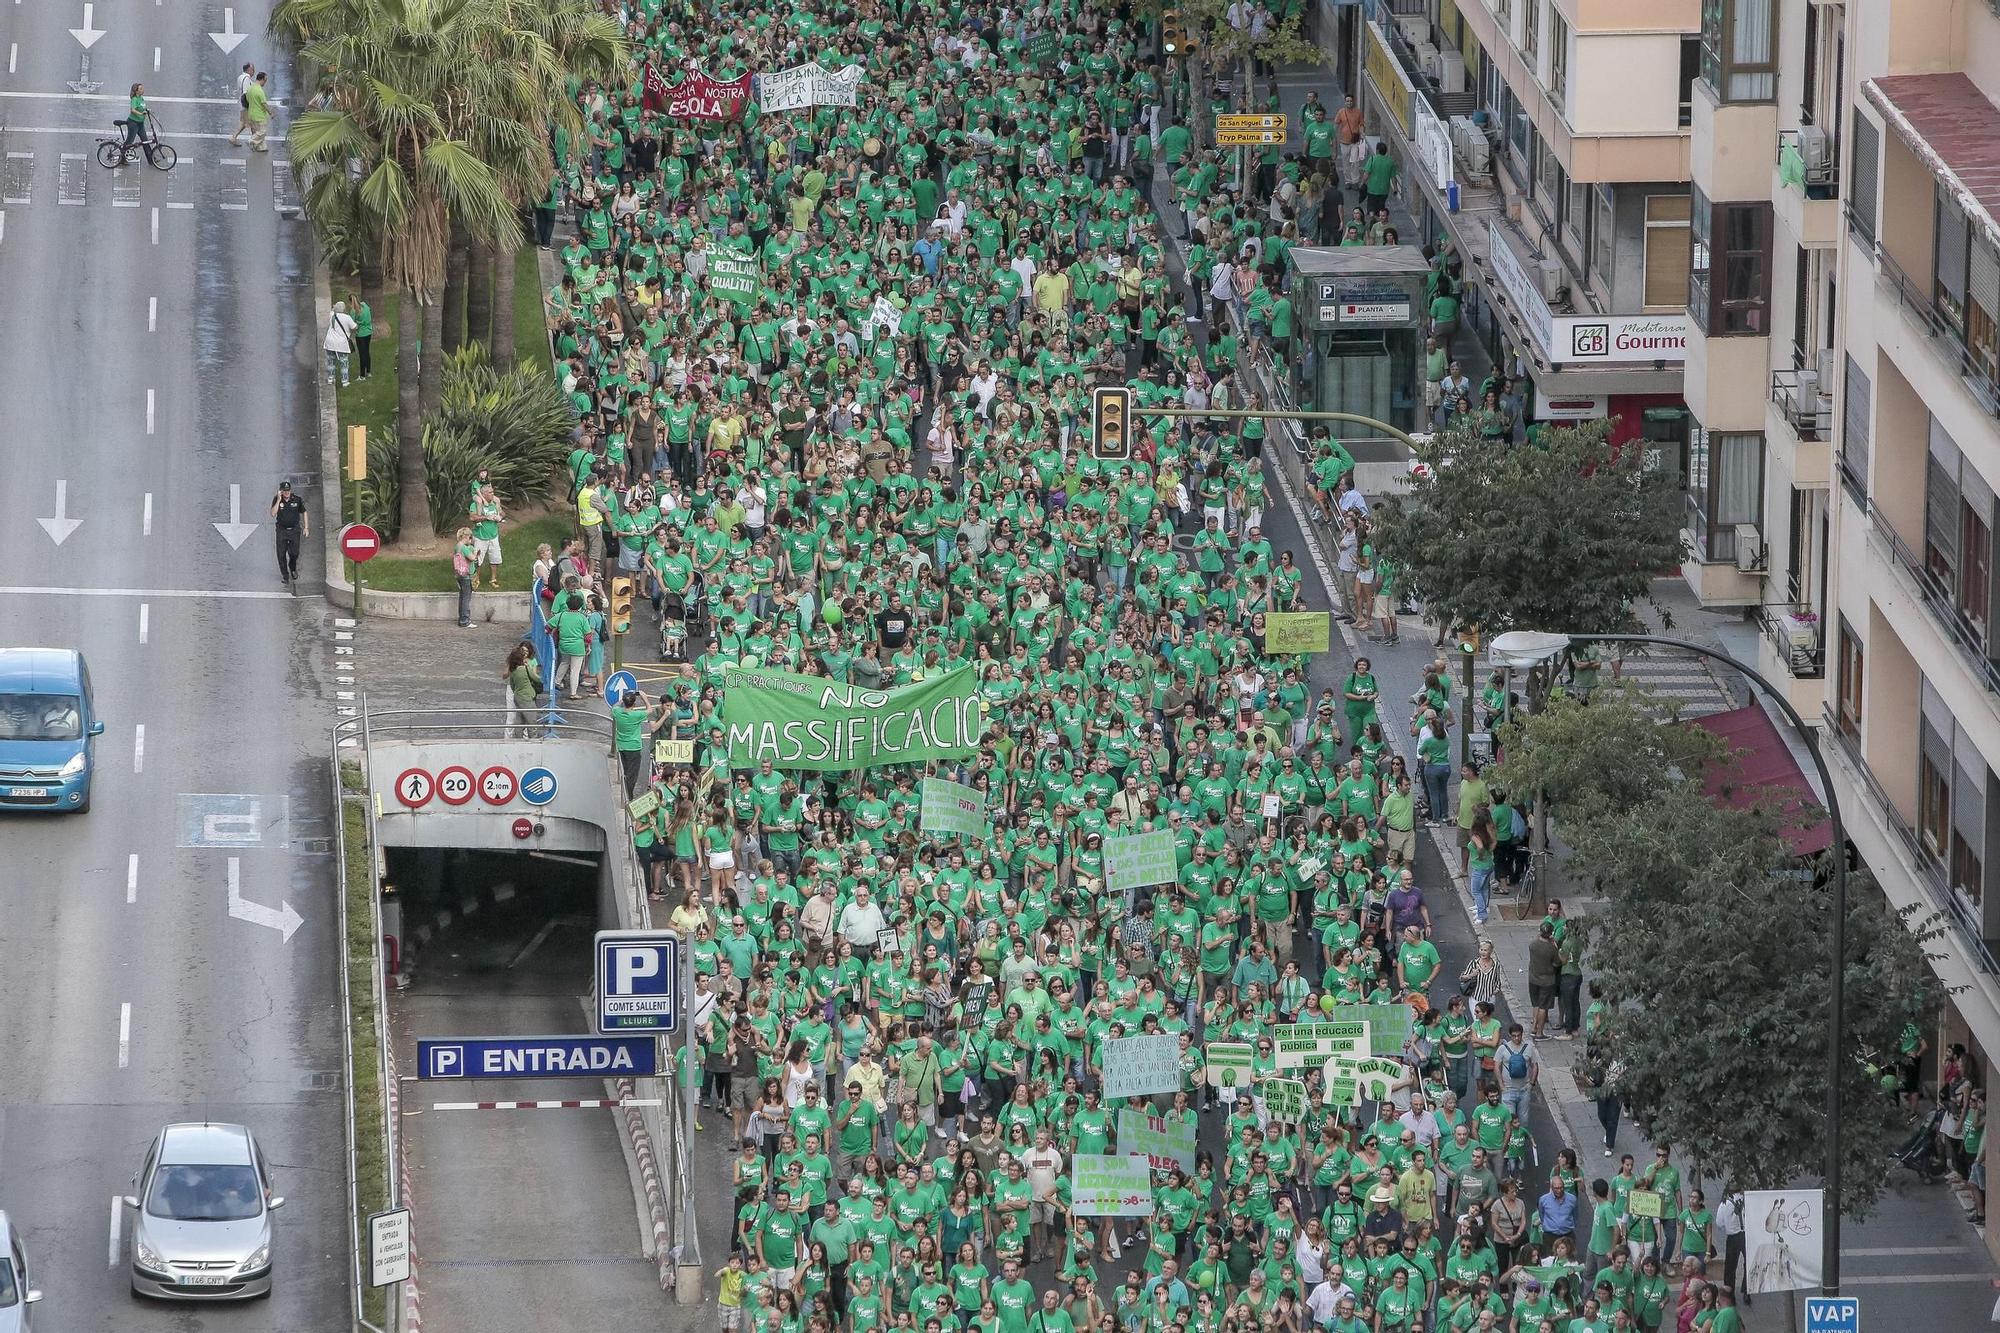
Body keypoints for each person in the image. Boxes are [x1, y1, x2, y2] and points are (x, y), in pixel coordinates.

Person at [270, 479, 307, 588]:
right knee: (281, 554)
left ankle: (293, 568)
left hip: (294, 530)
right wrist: (278, 500)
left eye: (288, 490)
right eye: (284, 491)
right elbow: (272, 513)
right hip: (282, 530)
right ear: (281, 491)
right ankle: (285, 576)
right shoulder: (277, 500)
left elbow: (304, 512)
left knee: (294, 553)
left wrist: (306, 527)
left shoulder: (297, 500)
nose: (286, 493)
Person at [324, 301, 360, 388]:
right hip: (341, 344)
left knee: (331, 361)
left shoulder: (332, 315)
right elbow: (354, 327)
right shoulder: (347, 318)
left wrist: (334, 307)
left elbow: (332, 310)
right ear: (343, 309)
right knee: (343, 362)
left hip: (329, 342)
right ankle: (345, 381)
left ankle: (330, 378)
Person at [229, 63, 257, 147]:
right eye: (253, 70)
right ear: (248, 70)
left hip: (241, 104)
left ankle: (234, 138)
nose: (254, 72)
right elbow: (246, 93)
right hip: (246, 105)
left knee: (244, 123)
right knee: (251, 123)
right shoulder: (247, 79)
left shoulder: (240, 77)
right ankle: (255, 142)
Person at [244, 70, 272, 152]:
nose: (265, 83)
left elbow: (247, 100)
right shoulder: (260, 91)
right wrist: (271, 113)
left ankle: (261, 148)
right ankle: (251, 141)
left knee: (257, 131)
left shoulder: (250, 88)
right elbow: (264, 104)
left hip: (251, 114)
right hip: (259, 115)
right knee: (262, 132)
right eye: (265, 80)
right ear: (262, 79)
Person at [122, 83, 152, 148]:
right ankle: (123, 155)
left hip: (140, 123)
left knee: (145, 142)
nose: (143, 90)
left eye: (142, 88)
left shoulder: (141, 98)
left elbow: (142, 107)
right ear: (136, 91)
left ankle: (150, 158)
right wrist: (141, 114)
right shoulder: (134, 99)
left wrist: (147, 110)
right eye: (141, 89)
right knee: (129, 142)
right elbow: (132, 110)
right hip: (133, 123)